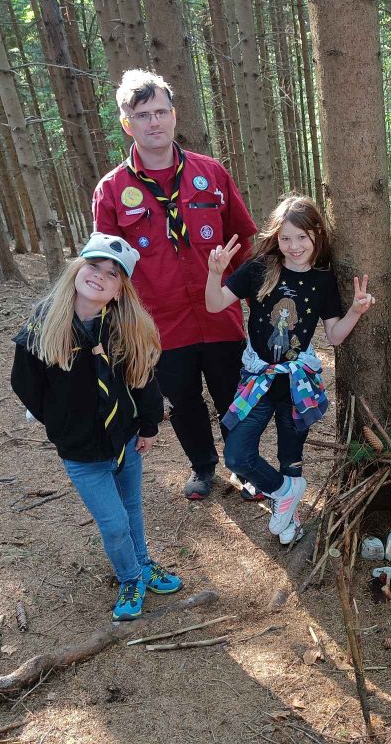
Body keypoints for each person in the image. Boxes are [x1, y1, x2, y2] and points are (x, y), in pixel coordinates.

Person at [92, 69, 259, 502]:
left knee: (234, 397)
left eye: (160, 112)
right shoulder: (112, 190)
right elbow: (106, 266)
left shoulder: (211, 173)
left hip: (220, 314)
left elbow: (243, 242)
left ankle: (244, 465)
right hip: (160, 324)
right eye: (142, 115)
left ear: (174, 115)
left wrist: (253, 298)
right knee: (183, 401)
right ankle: (203, 466)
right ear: (127, 123)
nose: (154, 122)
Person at [10, 234, 183, 621]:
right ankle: (129, 578)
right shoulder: (44, 323)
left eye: (112, 273)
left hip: (125, 441)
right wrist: (59, 423)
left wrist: (149, 427)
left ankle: (142, 564)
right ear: (77, 268)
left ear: (121, 289)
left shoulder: (125, 326)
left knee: (132, 510)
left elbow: (144, 381)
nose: (100, 276)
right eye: (94, 266)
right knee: (114, 522)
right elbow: (24, 383)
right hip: (82, 452)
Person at [205, 196, 375, 543]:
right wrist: (214, 273)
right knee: (236, 456)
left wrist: (355, 311)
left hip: (298, 383)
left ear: (317, 235)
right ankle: (285, 492)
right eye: (285, 238)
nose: (294, 246)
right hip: (259, 379)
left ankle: (290, 519)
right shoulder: (259, 268)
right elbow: (214, 304)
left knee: (290, 456)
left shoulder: (323, 281)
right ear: (276, 237)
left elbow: (335, 336)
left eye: (302, 237)